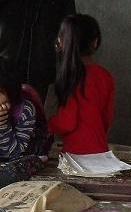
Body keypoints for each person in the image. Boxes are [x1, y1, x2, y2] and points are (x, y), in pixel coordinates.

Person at [48, 14, 115, 154]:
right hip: (100, 151)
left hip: (76, 155)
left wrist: (48, 125)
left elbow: (67, 123)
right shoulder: (105, 75)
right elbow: (107, 119)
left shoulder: (71, 77)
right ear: (95, 42)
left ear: (61, 42)